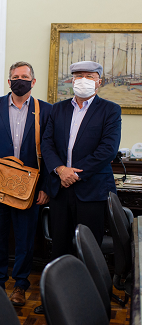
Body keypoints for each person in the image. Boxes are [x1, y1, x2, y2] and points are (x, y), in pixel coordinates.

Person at [36, 61, 122, 314]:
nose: (83, 80)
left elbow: (107, 150)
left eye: (89, 76)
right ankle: (54, 300)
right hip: (60, 189)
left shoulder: (110, 110)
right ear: (71, 81)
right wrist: (60, 170)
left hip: (91, 190)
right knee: (59, 246)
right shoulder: (57, 110)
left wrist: (74, 174)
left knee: (88, 248)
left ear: (99, 81)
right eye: (78, 76)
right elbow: (47, 145)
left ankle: (91, 303)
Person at [0, 61, 52, 306]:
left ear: (33, 82)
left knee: (25, 238)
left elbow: (50, 151)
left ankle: (20, 285)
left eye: (25, 76)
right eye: (15, 76)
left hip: (29, 187)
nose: (20, 80)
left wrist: (46, 187)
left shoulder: (45, 110)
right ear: (9, 81)